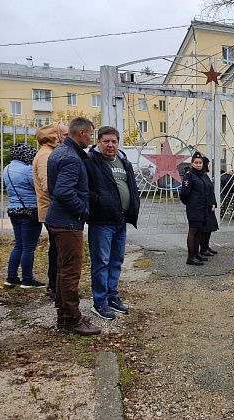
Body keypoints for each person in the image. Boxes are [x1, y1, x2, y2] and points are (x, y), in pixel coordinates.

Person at [47, 117, 100, 336]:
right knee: (70, 272)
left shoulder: (60, 152)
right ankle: (72, 320)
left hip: (58, 220)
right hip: (67, 223)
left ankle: (64, 315)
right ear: (80, 133)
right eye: (90, 134)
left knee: (62, 270)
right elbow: (63, 191)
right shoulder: (70, 158)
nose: (91, 139)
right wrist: (83, 210)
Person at [85, 126, 140, 320]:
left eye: (114, 141)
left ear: (118, 143)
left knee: (116, 261)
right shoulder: (91, 162)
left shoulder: (123, 161)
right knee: (101, 262)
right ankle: (99, 302)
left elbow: (130, 185)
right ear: (99, 142)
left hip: (121, 219)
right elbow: (84, 189)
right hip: (101, 221)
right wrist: (99, 201)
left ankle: (112, 296)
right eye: (106, 141)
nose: (110, 145)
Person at [33, 122, 68, 299]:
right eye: (64, 134)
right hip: (52, 211)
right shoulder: (46, 155)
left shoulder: (48, 153)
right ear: (55, 135)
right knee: (57, 251)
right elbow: (49, 185)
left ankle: (55, 286)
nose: (66, 138)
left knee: (56, 249)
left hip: (51, 210)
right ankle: (55, 287)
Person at [3, 143, 44, 289]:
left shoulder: (6, 169)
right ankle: (28, 280)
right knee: (28, 247)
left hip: (13, 210)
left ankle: (11, 277)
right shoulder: (27, 170)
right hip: (29, 212)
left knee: (19, 245)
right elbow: (39, 188)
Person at [179, 151, 215, 265]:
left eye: (200, 162)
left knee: (199, 232)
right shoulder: (189, 175)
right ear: (192, 163)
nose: (198, 164)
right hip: (194, 209)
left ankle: (197, 254)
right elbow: (184, 194)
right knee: (193, 232)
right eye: (196, 162)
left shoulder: (202, 175)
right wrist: (191, 204)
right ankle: (191, 257)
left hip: (202, 209)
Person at [199, 156, 219, 256]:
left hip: (210, 206)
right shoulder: (201, 176)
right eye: (209, 164)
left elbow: (211, 191)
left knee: (210, 227)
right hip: (206, 207)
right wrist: (209, 204)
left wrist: (214, 203)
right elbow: (204, 193)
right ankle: (203, 249)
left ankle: (206, 246)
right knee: (205, 229)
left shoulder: (205, 175)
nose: (210, 166)